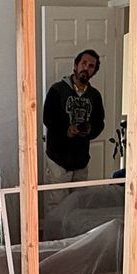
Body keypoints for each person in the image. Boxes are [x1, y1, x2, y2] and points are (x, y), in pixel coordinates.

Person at [42, 50, 106, 181]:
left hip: (81, 161)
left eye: (91, 66)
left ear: (94, 72)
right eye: (84, 63)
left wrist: (89, 130)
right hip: (57, 160)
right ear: (76, 65)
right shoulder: (57, 90)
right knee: (57, 200)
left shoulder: (95, 96)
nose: (86, 68)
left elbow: (99, 122)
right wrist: (66, 130)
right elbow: (48, 118)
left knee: (79, 200)